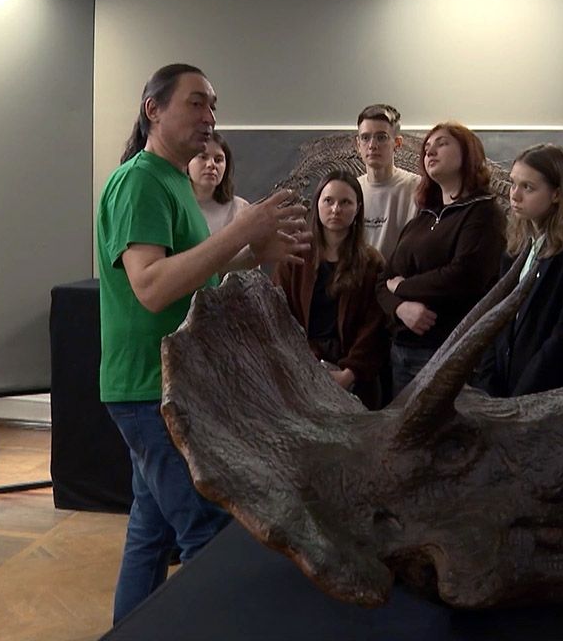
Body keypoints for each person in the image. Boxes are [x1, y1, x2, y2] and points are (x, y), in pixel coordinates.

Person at [96, 63, 309, 624]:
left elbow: (186, 274)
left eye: (213, 104)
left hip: (167, 384)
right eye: (196, 103)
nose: (210, 116)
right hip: (152, 388)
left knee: (151, 533)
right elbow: (150, 286)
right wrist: (240, 231)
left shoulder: (170, 181)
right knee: (208, 538)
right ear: (153, 109)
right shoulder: (140, 181)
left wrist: (251, 254)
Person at [376, 121, 505, 397]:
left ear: (467, 153)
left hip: (450, 356)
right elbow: (382, 282)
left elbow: (464, 276)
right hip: (401, 354)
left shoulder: (484, 213)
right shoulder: (422, 218)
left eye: (442, 144)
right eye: (426, 149)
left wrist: (402, 287)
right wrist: (400, 308)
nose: (430, 152)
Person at [476, 143, 563, 410]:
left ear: (556, 194)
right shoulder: (515, 248)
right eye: (513, 184)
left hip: (549, 403)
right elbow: (496, 320)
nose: (515, 195)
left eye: (528, 187)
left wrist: (520, 399)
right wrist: (489, 392)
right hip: (502, 397)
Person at [273, 170, 389, 409]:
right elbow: (278, 313)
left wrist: (350, 372)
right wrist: (302, 364)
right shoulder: (294, 255)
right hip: (300, 368)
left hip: (355, 376)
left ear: (357, 209)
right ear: (317, 204)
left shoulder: (371, 263)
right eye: (329, 200)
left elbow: (375, 325)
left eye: (345, 202)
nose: (336, 209)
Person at [355, 103, 418, 264]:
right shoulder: (351, 190)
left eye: (381, 137)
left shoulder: (418, 188)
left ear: (397, 143)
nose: (372, 145)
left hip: (402, 277)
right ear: (358, 145)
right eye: (365, 137)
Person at [188, 131, 250, 235]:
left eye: (218, 160)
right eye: (203, 157)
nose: (211, 165)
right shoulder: (173, 207)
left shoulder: (240, 209)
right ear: (187, 163)